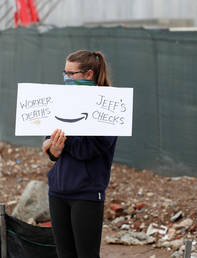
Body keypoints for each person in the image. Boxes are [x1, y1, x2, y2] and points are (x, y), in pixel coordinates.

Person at [42, 50, 117, 258]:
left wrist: (59, 143)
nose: (66, 78)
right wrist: (53, 150)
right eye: (64, 72)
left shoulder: (109, 107)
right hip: (58, 190)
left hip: (87, 193)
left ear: (89, 74)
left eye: (71, 73)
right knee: (64, 254)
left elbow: (89, 148)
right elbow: (49, 143)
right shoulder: (63, 99)